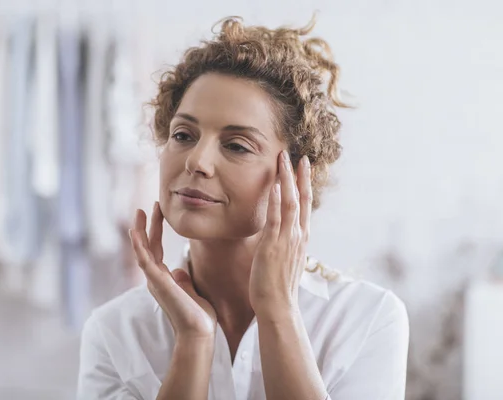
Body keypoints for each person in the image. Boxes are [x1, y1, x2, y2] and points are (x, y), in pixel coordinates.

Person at [78, 15, 409, 400]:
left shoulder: (366, 320)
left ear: (297, 177)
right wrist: (194, 340)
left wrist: (277, 312)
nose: (196, 161)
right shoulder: (114, 331)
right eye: (183, 135)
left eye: (236, 145)